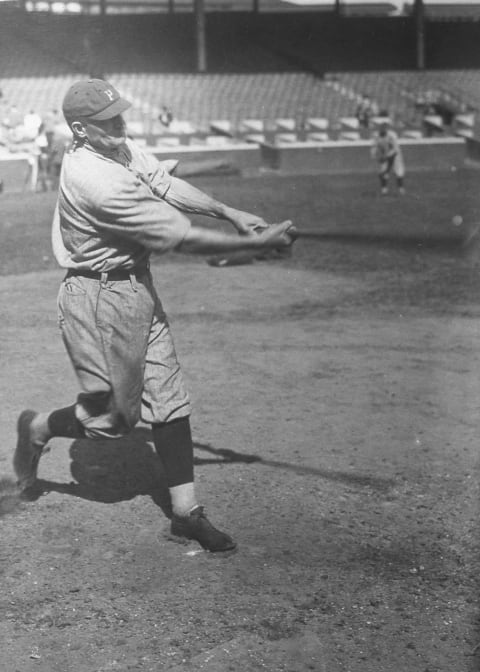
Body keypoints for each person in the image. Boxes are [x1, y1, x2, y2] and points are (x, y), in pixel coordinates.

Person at [13, 78, 296, 554]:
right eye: (108, 121)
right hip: (98, 300)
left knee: (169, 397)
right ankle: (38, 427)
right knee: (112, 422)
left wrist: (228, 211)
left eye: (121, 114)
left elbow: (164, 183)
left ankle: (186, 513)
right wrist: (255, 245)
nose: (121, 125)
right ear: (80, 130)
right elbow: (180, 237)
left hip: (137, 285)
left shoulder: (118, 148)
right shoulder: (94, 180)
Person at [371, 121, 405, 195]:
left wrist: (385, 157)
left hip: (396, 155)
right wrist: (374, 155)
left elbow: (395, 149)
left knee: (398, 171)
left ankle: (401, 189)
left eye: (384, 129)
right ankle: (384, 189)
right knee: (382, 172)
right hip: (385, 154)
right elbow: (374, 146)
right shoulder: (376, 136)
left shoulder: (392, 135)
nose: (382, 130)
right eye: (381, 128)